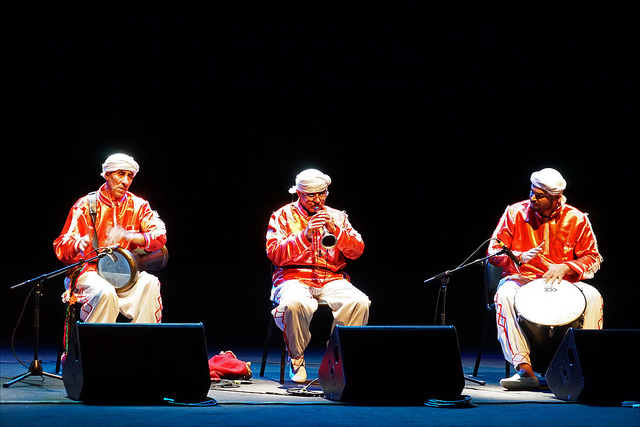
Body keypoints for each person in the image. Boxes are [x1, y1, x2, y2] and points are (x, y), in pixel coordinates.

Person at [487, 167, 603, 390]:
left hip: (564, 282)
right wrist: (518, 256)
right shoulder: (514, 213)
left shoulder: (577, 218)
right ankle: (524, 370)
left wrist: (567, 266)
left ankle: (587, 366)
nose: (532, 198)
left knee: (594, 296)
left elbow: (593, 257)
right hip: (523, 278)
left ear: (556, 198)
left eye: (539, 195)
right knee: (504, 294)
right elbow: (493, 249)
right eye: (532, 192)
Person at [266, 168, 371, 382]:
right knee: (295, 303)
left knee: (360, 301)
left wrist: (336, 231)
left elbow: (357, 251)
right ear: (299, 193)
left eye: (322, 194)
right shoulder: (281, 216)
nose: (318, 200)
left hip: (332, 278)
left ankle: (337, 357)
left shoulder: (338, 216)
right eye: (312, 195)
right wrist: (304, 236)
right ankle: (296, 359)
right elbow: (274, 254)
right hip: (293, 278)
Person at [53, 153, 167, 323]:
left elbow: (159, 237)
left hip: (125, 276)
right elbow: (60, 246)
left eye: (130, 176)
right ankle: (97, 347)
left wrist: (130, 236)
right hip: (89, 273)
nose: (126, 181)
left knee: (150, 283)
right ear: (107, 175)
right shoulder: (85, 204)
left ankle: (141, 345)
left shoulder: (139, 205)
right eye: (121, 174)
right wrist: (77, 244)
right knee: (105, 291)